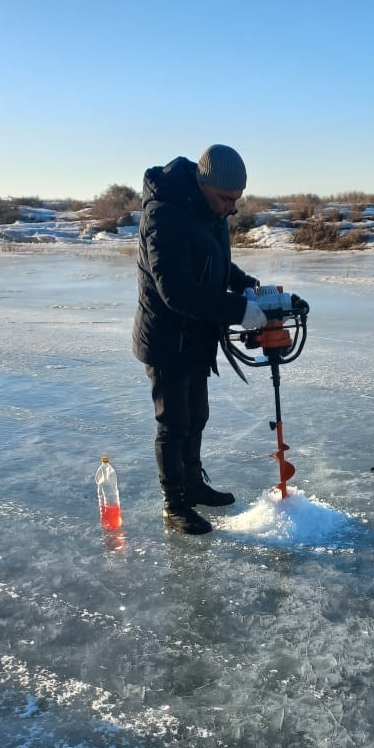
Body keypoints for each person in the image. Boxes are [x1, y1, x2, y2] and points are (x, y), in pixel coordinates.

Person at [132, 144, 266, 535]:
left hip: (196, 336)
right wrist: (237, 311)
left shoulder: (210, 210)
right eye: (227, 198)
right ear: (203, 184)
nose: (232, 207)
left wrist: (246, 285)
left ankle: (193, 484)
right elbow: (178, 290)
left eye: (237, 200)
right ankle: (174, 504)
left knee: (196, 417)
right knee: (173, 424)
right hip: (167, 339)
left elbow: (215, 262)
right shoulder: (164, 214)